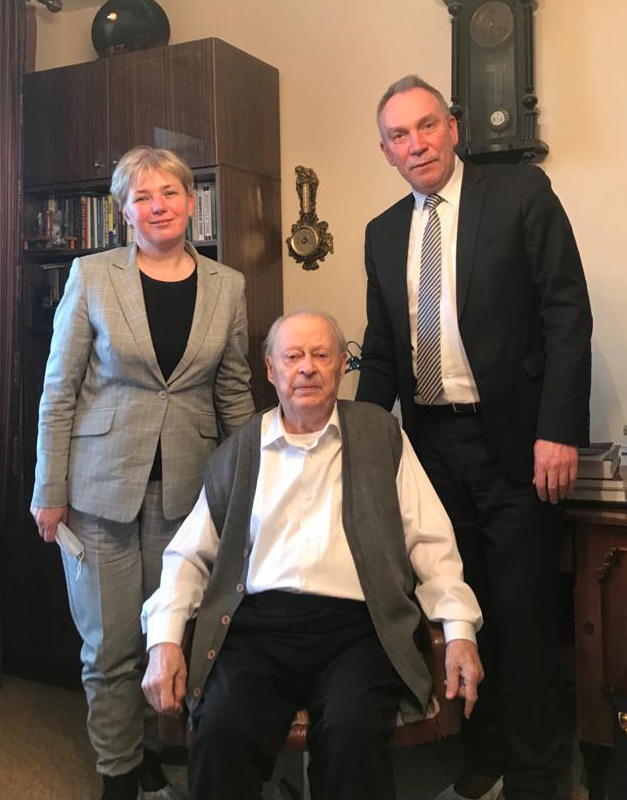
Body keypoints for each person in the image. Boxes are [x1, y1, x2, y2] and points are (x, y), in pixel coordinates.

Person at [355, 75, 593, 800]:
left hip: (517, 444)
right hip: (429, 449)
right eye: (399, 135)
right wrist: (358, 449)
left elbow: (566, 314)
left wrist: (558, 431)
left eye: (427, 126)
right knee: (461, 611)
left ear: (453, 129)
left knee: (524, 618)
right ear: (386, 151)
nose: (416, 144)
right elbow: (382, 350)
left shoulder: (520, 192)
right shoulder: (381, 232)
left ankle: (539, 778)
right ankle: (483, 760)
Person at [141, 310, 484, 800]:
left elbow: (431, 544)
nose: (307, 368)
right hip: (255, 631)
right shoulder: (241, 450)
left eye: (321, 355)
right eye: (293, 356)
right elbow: (188, 557)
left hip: (359, 631)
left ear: (342, 366)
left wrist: (459, 631)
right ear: (271, 369)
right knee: (221, 728)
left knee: (350, 732)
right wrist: (165, 640)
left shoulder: (380, 435)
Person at [30, 146, 255, 800]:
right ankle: (119, 773)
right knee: (109, 647)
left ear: (191, 202)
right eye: (142, 197)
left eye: (170, 193)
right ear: (124, 212)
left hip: (188, 491)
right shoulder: (92, 275)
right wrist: (48, 490)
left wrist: (252, 488)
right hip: (96, 491)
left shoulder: (228, 286)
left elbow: (233, 392)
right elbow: (58, 391)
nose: (158, 207)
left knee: (171, 633)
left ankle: (154, 750)